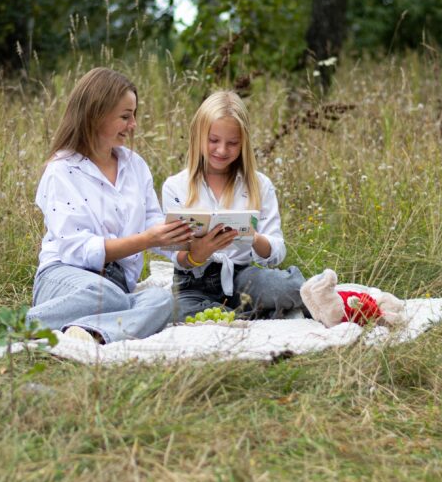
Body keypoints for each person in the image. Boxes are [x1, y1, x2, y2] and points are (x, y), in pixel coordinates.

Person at [26, 67, 193, 343]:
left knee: (162, 300)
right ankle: (23, 324)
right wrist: (145, 240)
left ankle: (89, 332)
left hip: (116, 286)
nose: (134, 125)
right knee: (110, 296)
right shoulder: (62, 170)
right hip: (65, 277)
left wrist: (191, 243)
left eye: (134, 115)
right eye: (125, 117)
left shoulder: (135, 166)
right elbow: (76, 250)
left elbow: (154, 225)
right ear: (95, 115)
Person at [162, 90, 305, 321]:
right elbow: (175, 254)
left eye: (232, 143)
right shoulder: (175, 186)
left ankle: (246, 311)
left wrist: (254, 238)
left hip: (243, 276)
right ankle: (252, 314)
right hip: (193, 283)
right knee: (175, 311)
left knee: (287, 287)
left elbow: (277, 250)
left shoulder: (260, 185)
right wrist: (198, 253)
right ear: (198, 137)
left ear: (243, 144)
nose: (221, 150)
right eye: (213, 140)